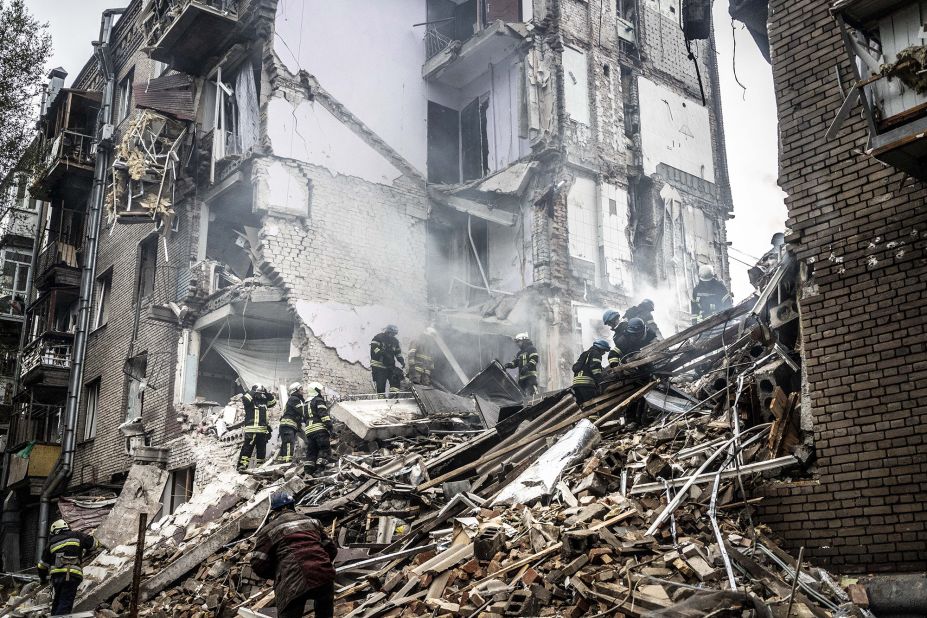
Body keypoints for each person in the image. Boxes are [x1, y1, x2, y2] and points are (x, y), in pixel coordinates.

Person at [251, 491, 338, 618]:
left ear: (274, 511)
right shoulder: (312, 521)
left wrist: (278, 574)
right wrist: (320, 563)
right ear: (293, 506)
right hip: (323, 575)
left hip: (292, 581)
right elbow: (331, 549)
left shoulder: (268, 530)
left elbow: (258, 564)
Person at [37, 519, 99, 616]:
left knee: (57, 602)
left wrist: (43, 580)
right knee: (65, 603)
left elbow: (42, 565)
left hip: (56, 578)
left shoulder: (51, 542)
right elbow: (94, 544)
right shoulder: (77, 535)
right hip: (72, 576)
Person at [238, 384, 278, 472]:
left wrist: (266, 392)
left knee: (261, 450)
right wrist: (254, 390)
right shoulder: (250, 401)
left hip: (262, 430)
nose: (260, 395)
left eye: (261, 393)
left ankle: (260, 468)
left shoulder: (264, 402)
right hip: (252, 430)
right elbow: (245, 398)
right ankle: (242, 466)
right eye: (259, 393)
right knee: (247, 449)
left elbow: (273, 402)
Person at [304, 382, 333, 472]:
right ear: (316, 390)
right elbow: (323, 415)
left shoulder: (306, 402)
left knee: (312, 451)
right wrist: (330, 427)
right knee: (324, 448)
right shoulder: (318, 400)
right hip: (319, 429)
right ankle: (320, 469)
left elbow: (304, 418)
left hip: (309, 430)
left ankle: (309, 470)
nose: (321, 391)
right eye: (320, 390)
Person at [572, 339, 610, 406]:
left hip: (577, 384)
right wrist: (602, 382)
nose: (604, 353)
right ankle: (594, 416)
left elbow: (582, 367)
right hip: (587, 384)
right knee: (592, 405)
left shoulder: (585, 354)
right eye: (604, 350)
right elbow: (595, 369)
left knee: (582, 405)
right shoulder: (596, 353)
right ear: (600, 348)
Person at [370, 325, 404, 397]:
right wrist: (383, 354)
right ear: (387, 332)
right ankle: (381, 400)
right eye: (392, 333)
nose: (393, 335)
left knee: (396, 378)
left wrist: (401, 360)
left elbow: (398, 353)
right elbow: (374, 348)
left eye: (394, 334)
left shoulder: (395, 341)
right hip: (378, 366)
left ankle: (393, 396)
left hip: (389, 365)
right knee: (381, 384)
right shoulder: (378, 337)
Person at [279, 382, 307, 464]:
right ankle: (287, 464)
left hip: (291, 425)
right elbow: (302, 411)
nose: (303, 391)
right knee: (288, 443)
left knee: (286, 444)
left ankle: (282, 463)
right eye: (301, 389)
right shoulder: (294, 399)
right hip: (288, 425)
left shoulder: (296, 399)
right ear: (296, 391)